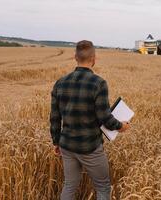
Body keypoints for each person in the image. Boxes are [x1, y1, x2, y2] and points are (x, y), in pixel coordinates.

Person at [50, 40, 129, 200]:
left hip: (67, 145)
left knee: (70, 185)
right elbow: (105, 117)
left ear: (75, 57)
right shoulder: (98, 84)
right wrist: (121, 126)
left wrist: (56, 141)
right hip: (90, 147)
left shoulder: (60, 83)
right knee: (103, 186)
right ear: (94, 58)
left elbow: (55, 117)